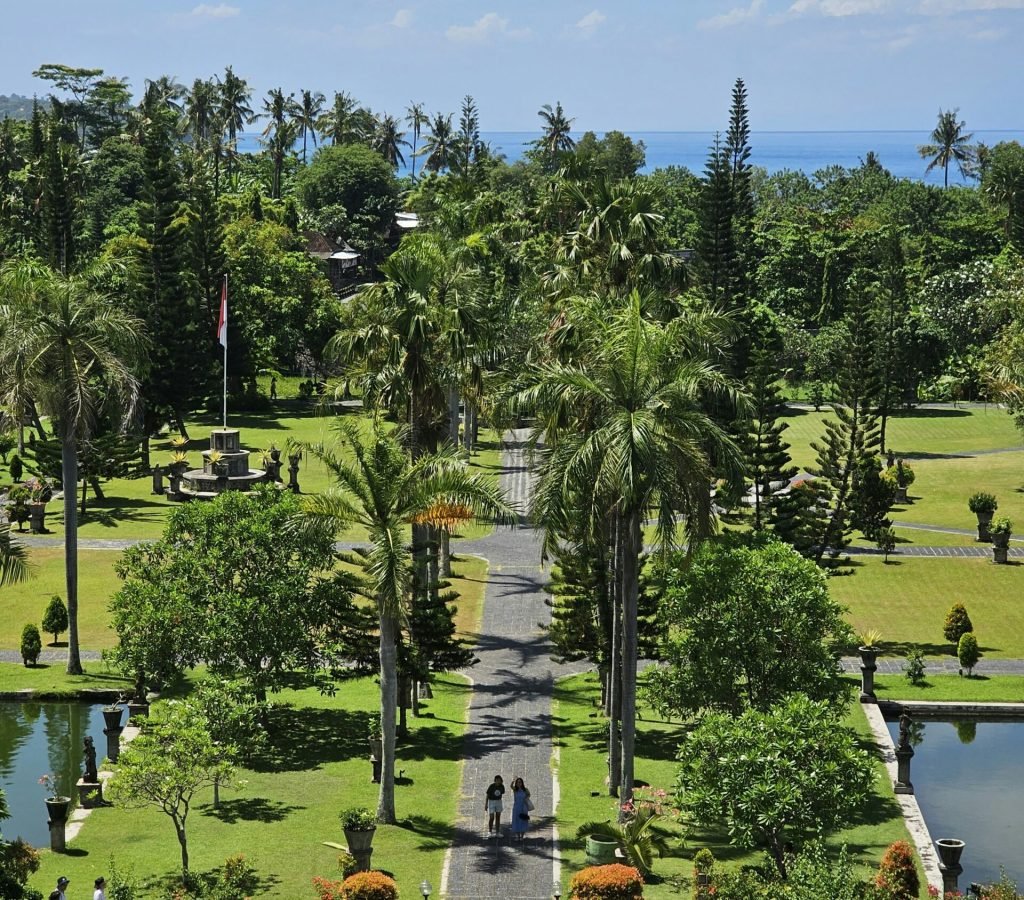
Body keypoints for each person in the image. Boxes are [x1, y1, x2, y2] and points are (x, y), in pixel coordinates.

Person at [509, 777, 532, 843]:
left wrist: (526, 798)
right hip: (516, 808)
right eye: (518, 782)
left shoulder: (525, 790)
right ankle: (518, 836)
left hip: (524, 807)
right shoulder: (515, 790)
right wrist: (513, 780)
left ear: (522, 783)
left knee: (523, 820)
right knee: (516, 820)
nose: (519, 783)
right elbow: (511, 786)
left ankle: (522, 836)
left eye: (520, 782)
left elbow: (529, 794)